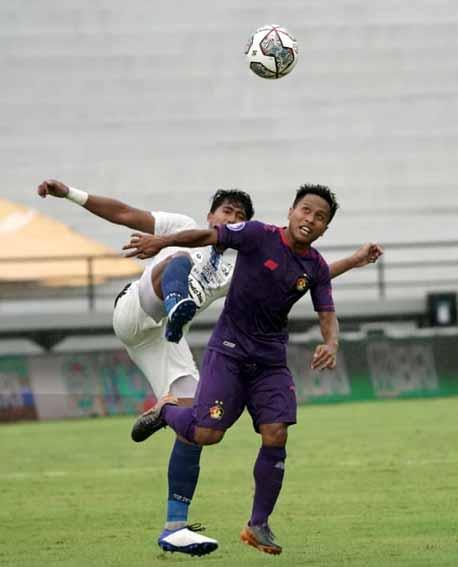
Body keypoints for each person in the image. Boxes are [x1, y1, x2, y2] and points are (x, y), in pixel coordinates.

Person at [36, 180, 382, 556]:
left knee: (199, 429)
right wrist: (69, 193)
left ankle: (175, 526)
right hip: (135, 312)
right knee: (177, 259)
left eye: (239, 215)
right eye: (226, 212)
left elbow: (299, 276)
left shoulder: (241, 259)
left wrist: (353, 261)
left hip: (167, 340)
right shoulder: (180, 227)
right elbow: (122, 213)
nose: (232, 218)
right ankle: (176, 299)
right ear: (211, 216)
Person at [124, 183, 348, 556]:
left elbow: (327, 313)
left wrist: (331, 343)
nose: (311, 220)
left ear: (325, 228)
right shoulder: (258, 234)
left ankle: (257, 525)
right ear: (292, 211)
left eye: (320, 217)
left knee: (277, 433)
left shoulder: (316, 266)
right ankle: (166, 410)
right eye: (306, 211)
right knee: (207, 434)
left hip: (271, 362)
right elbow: (207, 234)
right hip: (228, 352)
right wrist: (162, 243)